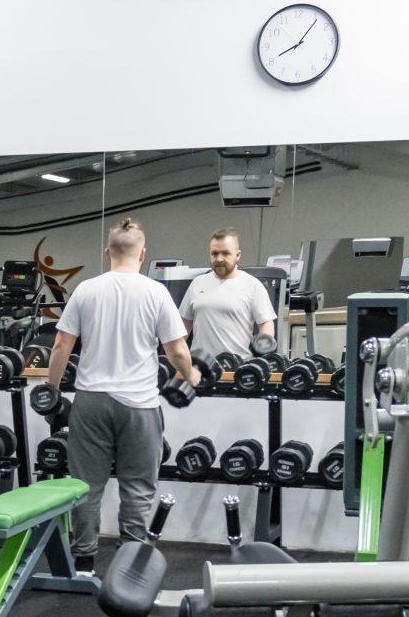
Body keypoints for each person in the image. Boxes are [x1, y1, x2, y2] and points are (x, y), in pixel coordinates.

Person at [43, 219, 199, 576]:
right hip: (139, 405)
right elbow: (176, 350)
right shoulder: (156, 292)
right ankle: (130, 563)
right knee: (138, 487)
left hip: (91, 402)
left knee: (85, 486)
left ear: (107, 252)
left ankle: (84, 563)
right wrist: (190, 374)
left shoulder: (85, 290)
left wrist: (52, 391)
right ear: (143, 254)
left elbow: (61, 344)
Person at [178, 227, 276, 359]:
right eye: (214, 253)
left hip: (238, 365)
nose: (219, 259)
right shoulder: (197, 283)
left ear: (238, 255)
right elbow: (183, 325)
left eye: (225, 253)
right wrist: (174, 356)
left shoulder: (252, 285)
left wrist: (262, 353)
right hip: (200, 366)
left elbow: (266, 324)